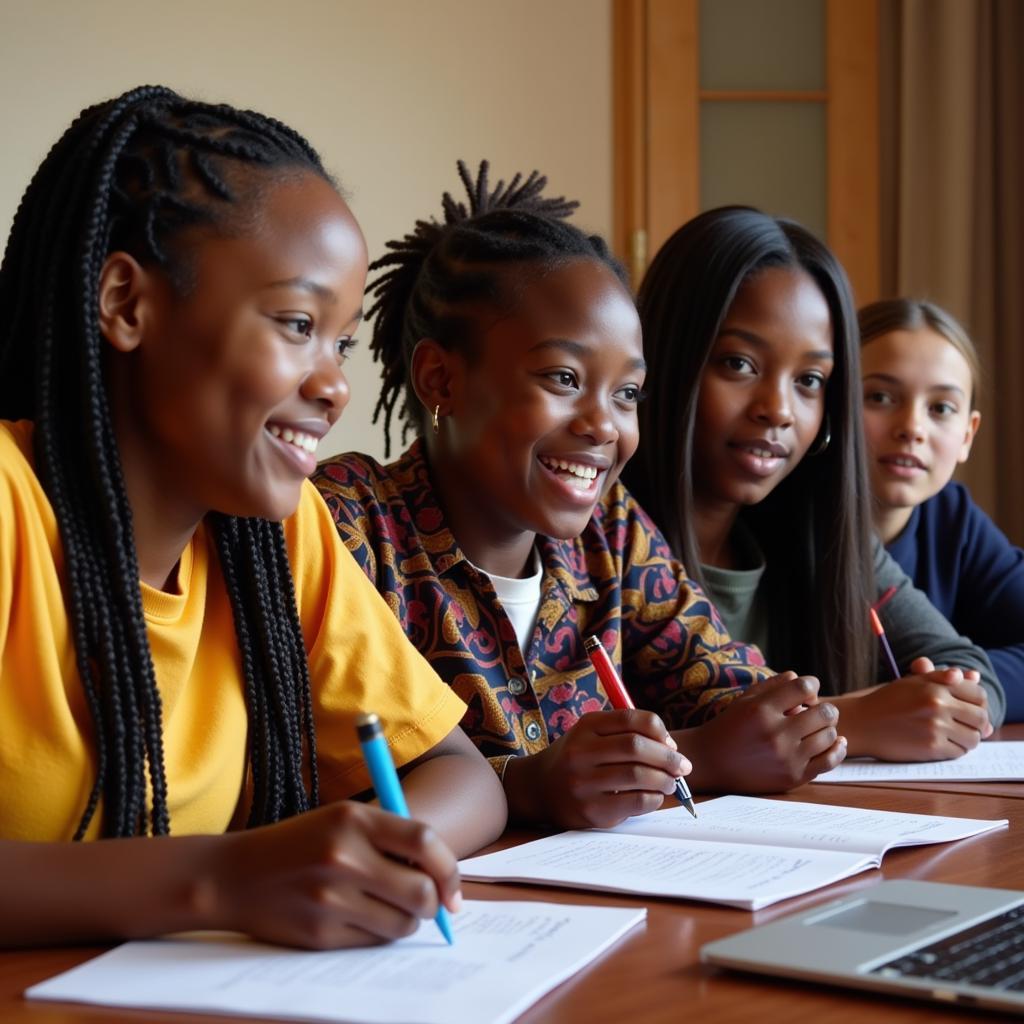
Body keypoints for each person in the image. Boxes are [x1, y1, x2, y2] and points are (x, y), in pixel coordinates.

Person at [0, 87, 507, 949]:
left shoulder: (274, 535)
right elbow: (224, 878)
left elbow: (461, 776)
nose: (334, 383)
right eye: (298, 323)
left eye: (342, 341)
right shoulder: (12, 509)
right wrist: (223, 876)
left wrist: (386, 853)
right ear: (126, 304)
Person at [314, 162, 847, 831]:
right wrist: (543, 782)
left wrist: (781, 726)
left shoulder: (609, 531)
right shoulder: (348, 522)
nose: (604, 425)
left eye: (627, 394)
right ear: (441, 380)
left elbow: (732, 696)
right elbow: (331, 785)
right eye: (564, 377)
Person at [623, 207, 1004, 763]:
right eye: (739, 363)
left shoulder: (815, 526)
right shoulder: (603, 536)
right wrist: (855, 720)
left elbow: (970, 671)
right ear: (666, 357)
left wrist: (948, 702)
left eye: (809, 381)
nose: (777, 410)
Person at [859, 298, 1024, 719]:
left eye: (940, 408)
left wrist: (948, 689)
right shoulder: (784, 517)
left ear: (968, 435)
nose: (912, 427)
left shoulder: (953, 519)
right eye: (879, 396)